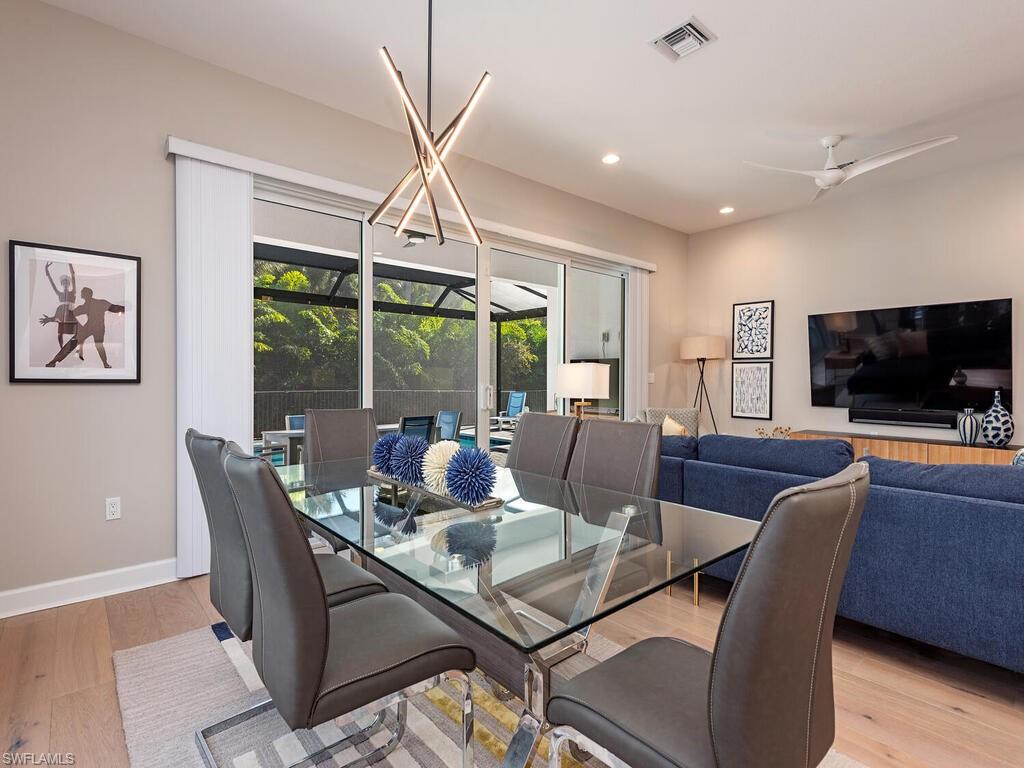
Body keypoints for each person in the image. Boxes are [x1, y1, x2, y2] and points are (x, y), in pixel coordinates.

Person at [43, 287, 125, 369]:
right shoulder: (88, 305)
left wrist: (127, 308)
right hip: (90, 328)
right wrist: (51, 318)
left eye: (82, 292)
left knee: (98, 345)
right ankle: (53, 361)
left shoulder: (100, 303)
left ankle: (105, 363)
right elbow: (70, 314)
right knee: (75, 343)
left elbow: (115, 308)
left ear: (87, 294)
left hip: (97, 329)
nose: (81, 294)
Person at [38, 261, 84, 359]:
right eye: (63, 283)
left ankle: (78, 352)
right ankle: (62, 350)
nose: (65, 284)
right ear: (62, 284)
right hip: (62, 313)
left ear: (69, 284)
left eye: (67, 282)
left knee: (79, 332)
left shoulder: (73, 292)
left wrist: (70, 264)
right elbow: (52, 284)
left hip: (71, 313)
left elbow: (73, 276)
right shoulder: (60, 294)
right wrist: (47, 271)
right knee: (60, 334)